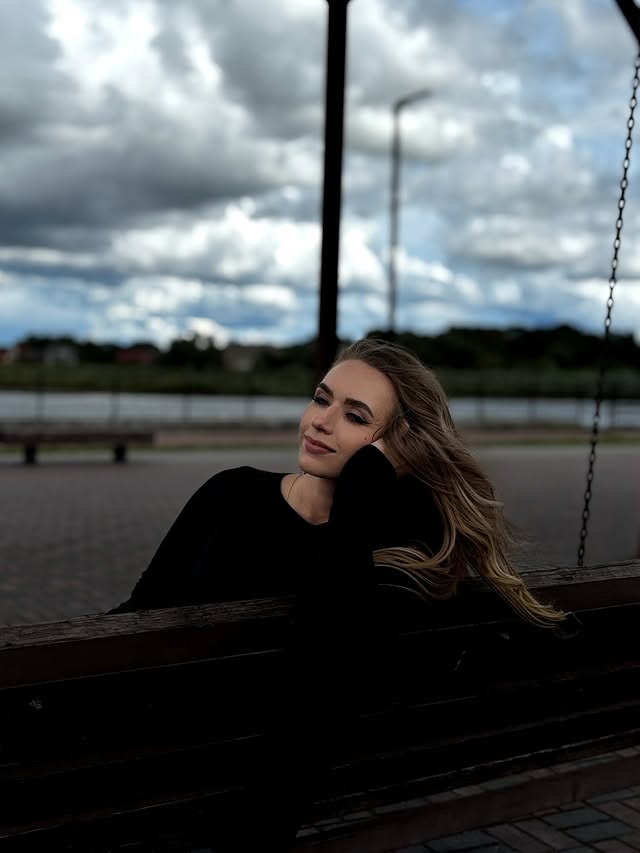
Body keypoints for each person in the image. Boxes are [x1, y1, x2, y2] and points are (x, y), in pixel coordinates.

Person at [108, 337, 566, 850]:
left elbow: (325, 663)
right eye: (321, 399)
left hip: (221, 782)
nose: (321, 421)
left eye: (355, 416)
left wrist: (359, 493)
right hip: (168, 757)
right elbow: (140, 612)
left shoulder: (402, 554)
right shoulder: (229, 493)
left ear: (400, 449)